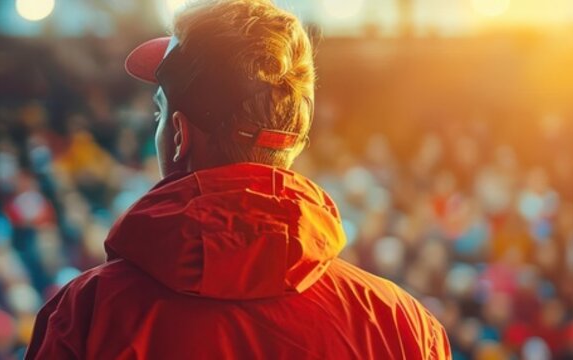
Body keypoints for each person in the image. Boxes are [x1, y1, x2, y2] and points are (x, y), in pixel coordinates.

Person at [23, 0, 449, 358]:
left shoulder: (88, 317)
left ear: (179, 136)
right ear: (292, 142)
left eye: (159, 112)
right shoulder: (400, 324)